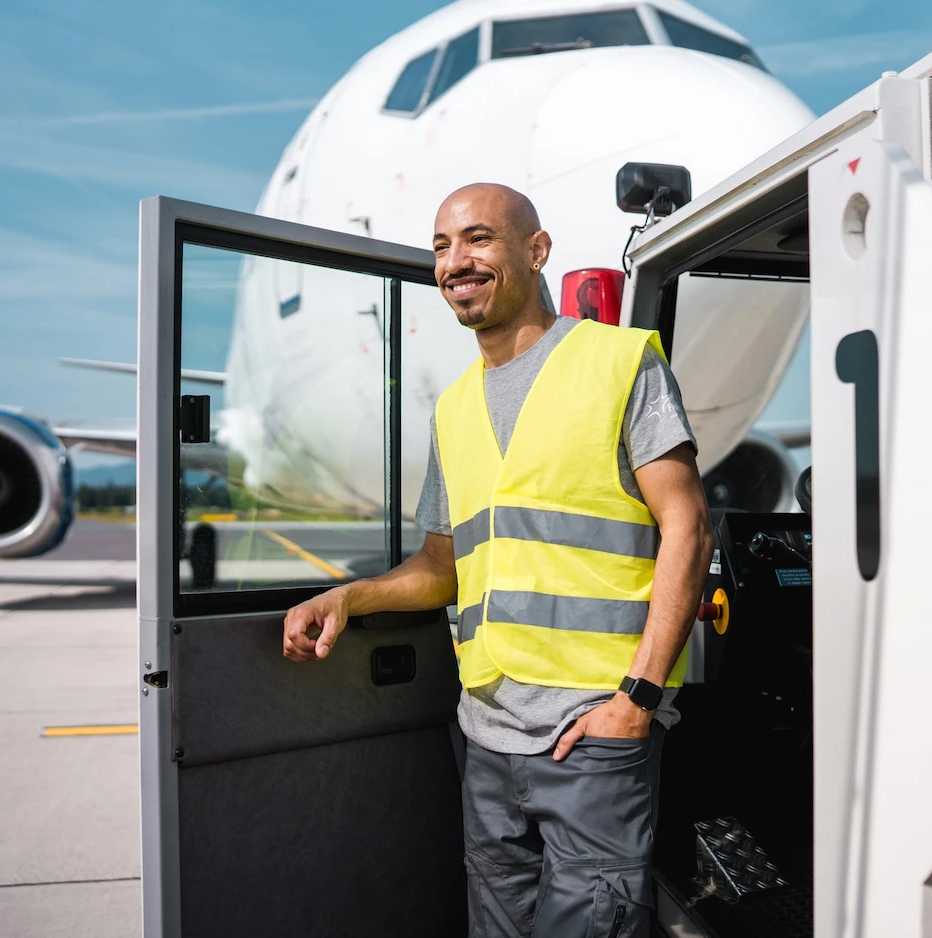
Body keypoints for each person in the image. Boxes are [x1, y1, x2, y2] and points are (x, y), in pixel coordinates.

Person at [282, 183, 713, 937]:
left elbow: (690, 528)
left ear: (536, 251)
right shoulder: (453, 408)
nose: (456, 261)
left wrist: (636, 701)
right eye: (443, 247)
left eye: (478, 239)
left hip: (594, 731)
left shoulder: (616, 361)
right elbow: (441, 568)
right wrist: (349, 599)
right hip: (486, 735)